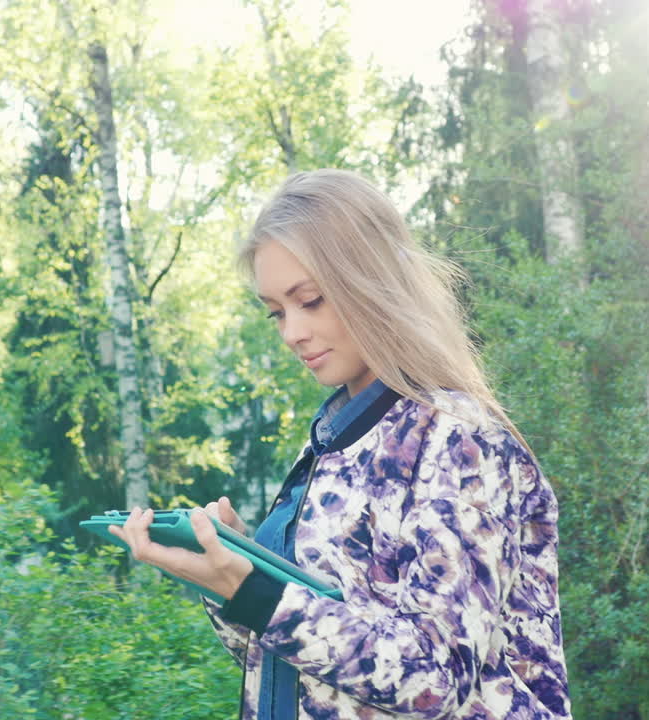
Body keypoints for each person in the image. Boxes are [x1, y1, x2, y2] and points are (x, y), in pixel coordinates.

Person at [110, 169, 570, 719]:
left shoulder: (458, 439)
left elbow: (434, 681)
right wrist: (230, 574)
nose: (291, 333)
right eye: (277, 312)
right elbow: (289, 667)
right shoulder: (331, 446)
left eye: (310, 300)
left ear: (372, 282)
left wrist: (255, 591)